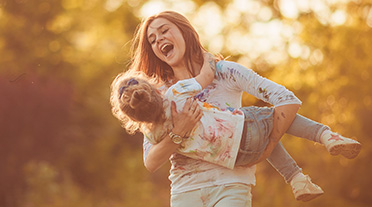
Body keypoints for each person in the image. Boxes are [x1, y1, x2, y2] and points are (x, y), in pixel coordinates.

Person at [124, 10, 361, 206]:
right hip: (186, 191)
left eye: (164, 31)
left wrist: (267, 147)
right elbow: (151, 161)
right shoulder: (159, 95)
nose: (159, 40)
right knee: (255, 121)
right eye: (152, 40)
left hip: (232, 185)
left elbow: (286, 100)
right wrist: (180, 131)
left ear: (183, 31)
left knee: (254, 121)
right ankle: (308, 160)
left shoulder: (225, 72)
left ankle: (321, 141)